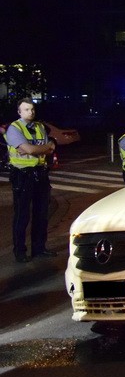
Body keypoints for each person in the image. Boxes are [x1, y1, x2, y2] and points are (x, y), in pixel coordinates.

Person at [5, 99, 57, 263]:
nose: (31, 112)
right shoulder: (14, 128)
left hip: (40, 174)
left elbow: (49, 147)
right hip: (23, 175)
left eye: (32, 109)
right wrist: (43, 148)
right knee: (22, 216)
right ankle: (20, 251)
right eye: (26, 109)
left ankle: (39, 248)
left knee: (41, 214)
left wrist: (39, 149)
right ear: (19, 112)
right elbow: (29, 149)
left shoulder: (40, 127)